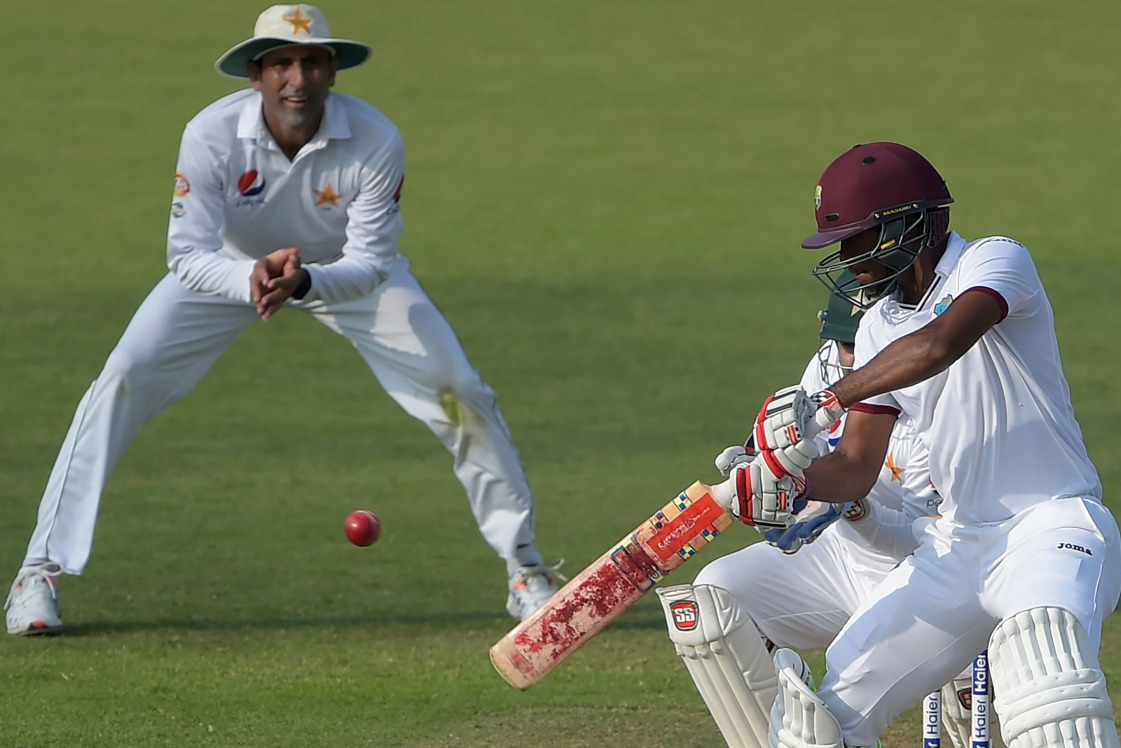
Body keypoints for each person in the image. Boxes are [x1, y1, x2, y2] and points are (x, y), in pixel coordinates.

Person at [4, 4, 558, 636]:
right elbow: (186, 253)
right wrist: (252, 277)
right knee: (123, 374)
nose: (299, 78)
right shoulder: (209, 134)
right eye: (282, 64)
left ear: (331, 71)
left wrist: (304, 281)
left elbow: (372, 261)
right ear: (255, 74)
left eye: (313, 62)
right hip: (228, 269)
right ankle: (38, 572)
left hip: (341, 276)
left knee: (458, 389)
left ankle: (525, 570)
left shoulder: (376, 139)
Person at [742, 142, 1121, 747]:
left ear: (914, 225)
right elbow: (856, 466)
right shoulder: (873, 327)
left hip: (1048, 525)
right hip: (956, 544)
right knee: (821, 720)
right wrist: (785, 481)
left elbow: (939, 344)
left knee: (1042, 658)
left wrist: (826, 399)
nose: (849, 259)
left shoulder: (996, 260)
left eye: (862, 239)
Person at [657, 285, 996, 748]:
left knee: (971, 708)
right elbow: (800, 457)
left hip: (925, 575)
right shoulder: (827, 369)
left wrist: (852, 510)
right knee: (714, 602)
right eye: (847, 344)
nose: (855, 360)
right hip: (840, 561)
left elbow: (921, 539)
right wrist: (764, 479)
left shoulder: (944, 398)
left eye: (865, 345)